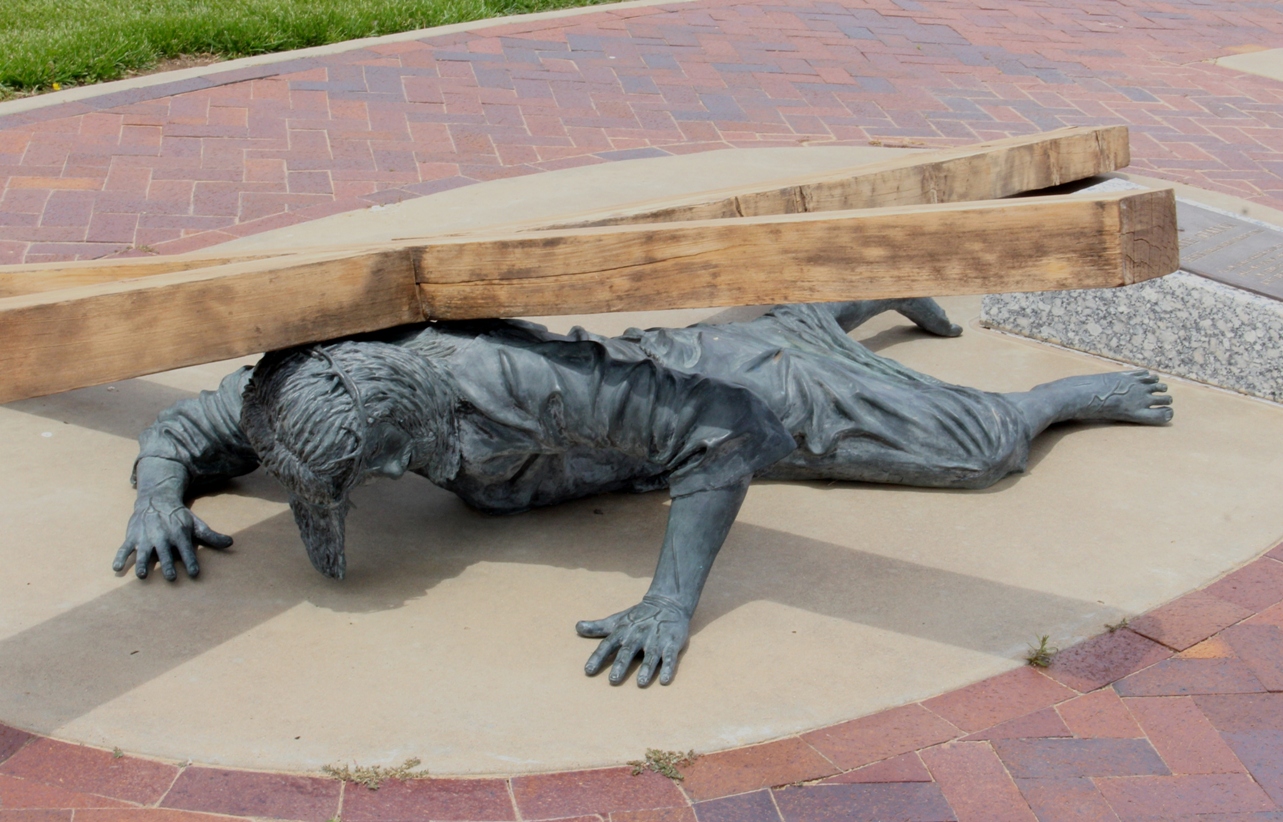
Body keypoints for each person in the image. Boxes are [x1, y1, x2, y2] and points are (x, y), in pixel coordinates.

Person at [115, 299, 1173, 686]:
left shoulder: (517, 388)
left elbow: (721, 438)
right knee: (744, 332)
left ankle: (1063, 396)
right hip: (674, 357)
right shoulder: (294, 387)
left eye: (345, 493)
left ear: (395, 453)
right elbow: (179, 431)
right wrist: (156, 497)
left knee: (977, 452)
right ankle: (828, 299)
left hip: (750, 394)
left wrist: (668, 601)